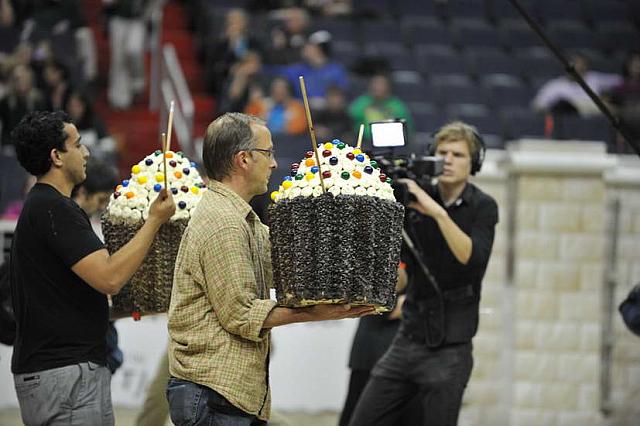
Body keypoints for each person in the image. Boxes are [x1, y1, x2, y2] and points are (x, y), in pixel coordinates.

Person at [166, 112, 375, 425]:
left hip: (224, 393)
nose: (274, 163)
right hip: (214, 393)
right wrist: (314, 313)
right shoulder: (224, 223)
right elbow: (241, 315)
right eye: (269, 153)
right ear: (244, 159)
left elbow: (288, 265)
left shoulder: (241, 217)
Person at [9, 110, 175, 425]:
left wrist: (138, 308)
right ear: (56, 156)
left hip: (63, 373)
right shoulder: (53, 208)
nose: (86, 153)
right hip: (65, 375)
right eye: (79, 144)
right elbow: (110, 277)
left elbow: (65, 300)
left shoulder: (45, 207)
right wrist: (154, 221)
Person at [349, 121, 499, 426]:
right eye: (442, 152)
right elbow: (405, 270)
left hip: (451, 348)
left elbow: (473, 260)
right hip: (408, 338)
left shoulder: (483, 206)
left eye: (457, 154)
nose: (448, 160)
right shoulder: (415, 197)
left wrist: (437, 212)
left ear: (474, 164)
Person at [532, 52, 621, 117]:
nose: (578, 68)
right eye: (574, 64)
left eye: (581, 65)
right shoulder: (555, 85)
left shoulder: (595, 78)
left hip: (594, 123)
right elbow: (538, 106)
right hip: (566, 123)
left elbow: (622, 81)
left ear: (586, 66)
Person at [348, 73, 413, 143]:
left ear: (388, 87)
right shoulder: (361, 103)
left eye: (381, 84)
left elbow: (407, 129)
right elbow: (350, 121)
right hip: (365, 143)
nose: (376, 87)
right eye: (375, 83)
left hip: (391, 143)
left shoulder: (397, 106)